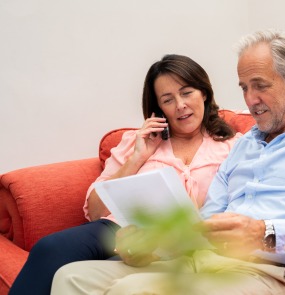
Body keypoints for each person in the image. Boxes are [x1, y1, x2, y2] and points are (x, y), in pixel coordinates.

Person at [51, 29, 285, 295]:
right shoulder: (245, 144)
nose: (250, 100)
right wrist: (153, 246)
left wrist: (266, 232)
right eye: (244, 88)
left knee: (133, 291)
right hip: (208, 261)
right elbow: (205, 222)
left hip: (277, 273)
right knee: (71, 278)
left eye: (260, 85)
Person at [8, 54, 240, 295]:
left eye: (187, 92)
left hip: (180, 242)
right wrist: (137, 157)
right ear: (159, 108)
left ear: (204, 92)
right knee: (50, 247)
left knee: (108, 278)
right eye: (168, 99)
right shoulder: (136, 142)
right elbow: (95, 210)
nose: (180, 105)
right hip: (119, 228)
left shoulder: (234, 147)